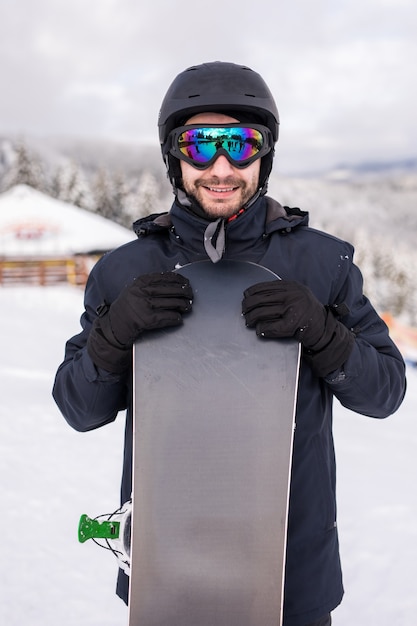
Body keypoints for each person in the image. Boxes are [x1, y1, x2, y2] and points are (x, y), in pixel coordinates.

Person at [53, 61, 406, 626]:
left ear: (265, 156)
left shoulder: (322, 263)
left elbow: (385, 392)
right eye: (199, 145)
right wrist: (114, 334)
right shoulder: (125, 272)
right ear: (174, 156)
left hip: (291, 572)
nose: (221, 167)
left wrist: (324, 332)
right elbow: (78, 408)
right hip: (164, 566)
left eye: (241, 144)